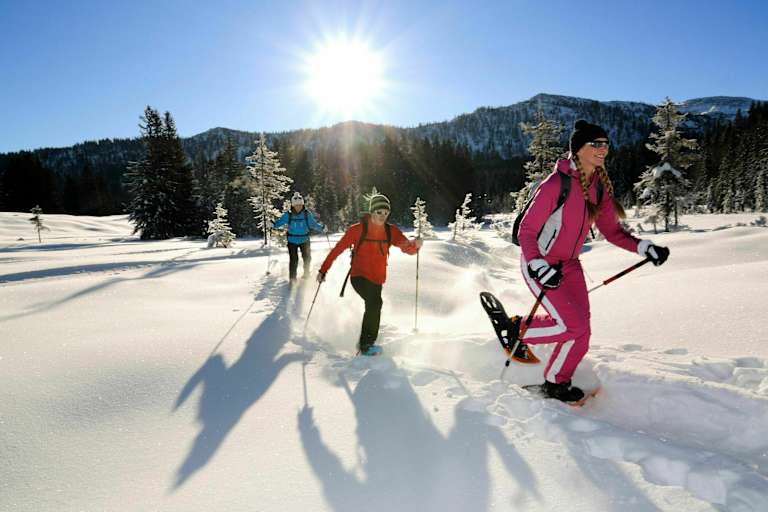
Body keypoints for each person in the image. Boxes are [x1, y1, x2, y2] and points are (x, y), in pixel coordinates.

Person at [515, 120, 670, 402]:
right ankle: (517, 333)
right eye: (595, 144)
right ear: (578, 150)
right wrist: (538, 265)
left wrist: (644, 247)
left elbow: (612, 231)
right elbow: (527, 230)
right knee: (571, 325)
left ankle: (555, 384)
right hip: (539, 263)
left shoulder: (599, 188)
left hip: (570, 265)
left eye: (605, 144)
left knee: (581, 331)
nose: (603, 149)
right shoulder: (556, 184)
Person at [317, 192, 423, 356]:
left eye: (386, 213)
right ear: (372, 212)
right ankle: (366, 345)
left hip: (378, 279)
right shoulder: (357, 230)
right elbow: (337, 250)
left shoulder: (390, 231)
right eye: (379, 212)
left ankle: (368, 338)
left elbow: (407, 248)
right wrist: (323, 270)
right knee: (375, 303)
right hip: (358, 276)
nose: (383, 216)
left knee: (374, 304)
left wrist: (415, 245)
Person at [272, 192, 326, 282]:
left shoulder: (306, 214)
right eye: (296, 205)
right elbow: (279, 222)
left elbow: (313, 224)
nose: (298, 207)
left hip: (304, 240)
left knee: (307, 258)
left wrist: (322, 228)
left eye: (300, 205)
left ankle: (306, 274)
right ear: (293, 205)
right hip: (292, 240)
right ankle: (293, 279)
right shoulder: (288, 215)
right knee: (294, 260)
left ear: (302, 204)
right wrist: (273, 224)